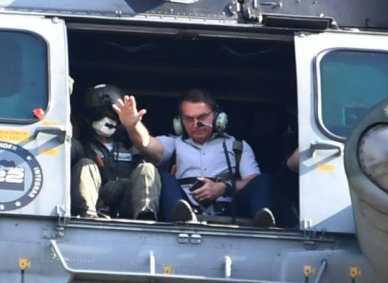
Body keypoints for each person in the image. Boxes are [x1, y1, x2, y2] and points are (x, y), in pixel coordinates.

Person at [113, 87, 276, 227]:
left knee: (264, 180)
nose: (196, 124)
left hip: (231, 208)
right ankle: (181, 219)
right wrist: (132, 125)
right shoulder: (174, 143)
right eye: (189, 119)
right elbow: (146, 143)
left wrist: (223, 188)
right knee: (164, 178)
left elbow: (253, 181)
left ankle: (262, 226)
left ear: (218, 116)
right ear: (179, 121)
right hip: (187, 208)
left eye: (202, 117)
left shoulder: (237, 146)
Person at [70, 84, 161, 220]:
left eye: (113, 115)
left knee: (147, 168)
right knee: (85, 164)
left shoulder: (130, 146)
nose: (107, 120)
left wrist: (122, 183)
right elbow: (63, 151)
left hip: (126, 205)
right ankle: (87, 215)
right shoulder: (81, 146)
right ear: (87, 117)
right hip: (97, 204)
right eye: (100, 114)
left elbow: (151, 168)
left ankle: (145, 215)